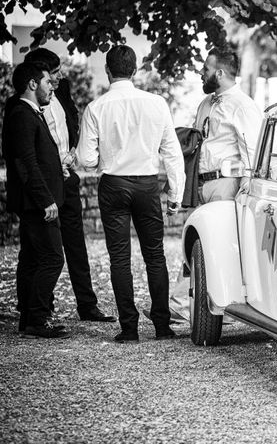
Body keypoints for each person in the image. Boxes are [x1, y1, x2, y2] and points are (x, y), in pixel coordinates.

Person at [77, 45, 185, 343]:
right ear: (134, 70)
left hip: (113, 185)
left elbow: (86, 160)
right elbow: (173, 154)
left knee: (120, 259)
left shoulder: (96, 108)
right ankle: (163, 326)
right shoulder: (156, 104)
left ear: (108, 71)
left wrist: (106, 157)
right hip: (147, 185)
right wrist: (175, 194)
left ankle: (129, 328)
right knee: (155, 256)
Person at [5, 48, 116, 323]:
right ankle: (34, 309)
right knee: (36, 249)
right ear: (36, 76)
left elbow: (72, 121)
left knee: (75, 245)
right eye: (53, 74)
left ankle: (87, 305)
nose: (59, 78)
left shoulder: (60, 90)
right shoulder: (19, 106)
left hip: (67, 179)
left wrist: (72, 154)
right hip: (41, 185)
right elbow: (21, 153)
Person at [163, 49, 263, 322]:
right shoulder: (206, 103)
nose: (201, 72)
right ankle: (184, 303)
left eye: (206, 68)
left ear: (219, 72)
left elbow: (251, 150)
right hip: (201, 183)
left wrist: (246, 187)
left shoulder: (242, 105)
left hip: (227, 184)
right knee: (193, 242)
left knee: (222, 244)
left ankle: (222, 306)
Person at [2, 61, 68, 338]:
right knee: (53, 258)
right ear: (32, 84)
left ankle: (29, 317)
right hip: (37, 204)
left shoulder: (28, 112)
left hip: (35, 202)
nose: (52, 85)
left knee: (31, 258)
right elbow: (26, 163)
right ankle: (38, 319)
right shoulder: (22, 114)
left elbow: (37, 157)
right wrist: (45, 200)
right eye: (47, 82)